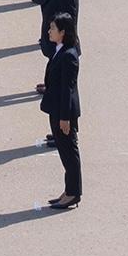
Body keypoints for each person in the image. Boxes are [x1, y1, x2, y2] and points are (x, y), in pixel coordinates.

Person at [40, 12, 81, 212]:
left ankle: (73, 193)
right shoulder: (61, 49)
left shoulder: (68, 56)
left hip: (63, 112)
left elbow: (67, 89)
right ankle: (69, 191)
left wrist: (65, 118)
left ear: (62, 32)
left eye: (53, 28)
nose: (49, 31)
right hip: (56, 108)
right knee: (65, 153)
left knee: (68, 153)